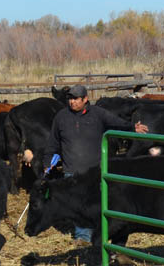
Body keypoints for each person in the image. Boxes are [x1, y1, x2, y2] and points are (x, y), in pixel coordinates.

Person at [43, 84, 149, 245]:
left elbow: (116, 123)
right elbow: (53, 142)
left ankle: (101, 234)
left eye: (75, 99)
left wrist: (132, 128)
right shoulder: (61, 117)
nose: (72, 102)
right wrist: (47, 162)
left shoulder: (98, 114)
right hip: (72, 170)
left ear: (85, 99)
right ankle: (83, 238)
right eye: (70, 99)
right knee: (79, 206)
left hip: (95, 171)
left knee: (99, 204)